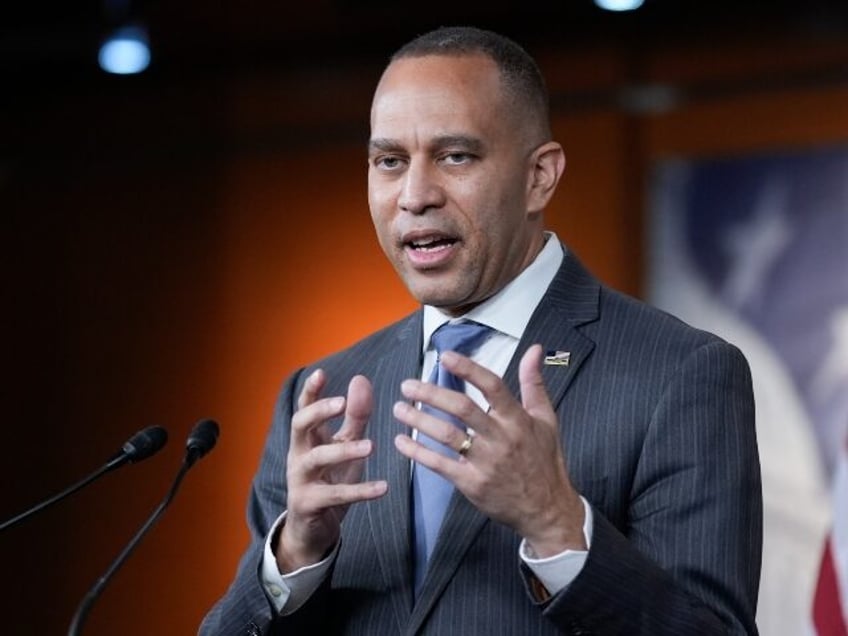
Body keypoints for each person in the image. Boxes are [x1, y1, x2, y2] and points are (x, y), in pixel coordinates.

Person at [199, 26, 762, 635]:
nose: (414, 195)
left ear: (539, 177)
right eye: (390, 161)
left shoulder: (681, 373)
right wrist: (295, 559)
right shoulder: (322, 395)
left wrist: (556, 525)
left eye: (455, 156)